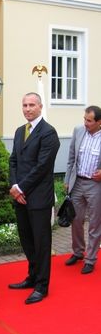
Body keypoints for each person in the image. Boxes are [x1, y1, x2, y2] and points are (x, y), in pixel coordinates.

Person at [8, 92, 60, 304]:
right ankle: (32, 276)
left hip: (38, 198)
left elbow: (42, 167)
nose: (27, 109)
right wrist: (13, 186)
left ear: (40, 106)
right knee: (26, 240)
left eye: (31, 105)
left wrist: (21, 187)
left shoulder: (49, 133)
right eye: (24, 105)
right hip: (20, 197)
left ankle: (42, 286)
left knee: (41, 243)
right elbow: (13, 161)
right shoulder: (21, 131)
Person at [64, 105, 101, 274]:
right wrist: (67, 180)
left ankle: (90, 259)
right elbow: (71, 158)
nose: (85, 123)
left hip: (96, 185)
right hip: (78, 182)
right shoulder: (78, 131)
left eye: (89, 120)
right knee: (76, 219)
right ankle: (78, 252)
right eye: (84, 119)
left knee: (95, 223)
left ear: (99, 122)